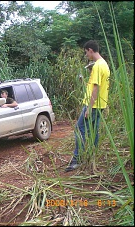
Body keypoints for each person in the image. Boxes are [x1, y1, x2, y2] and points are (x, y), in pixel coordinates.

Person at [65, 40, 110, 172]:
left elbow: (96, 88)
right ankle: (92, 155)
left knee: (79, 129)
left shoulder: (97, 66)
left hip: (93, 105)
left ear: (90, 50)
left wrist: (89, 108)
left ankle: (76, 160)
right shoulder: (105, 64)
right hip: (100, 104)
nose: (86, 55)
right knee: (93, 130)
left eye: (86, 53)